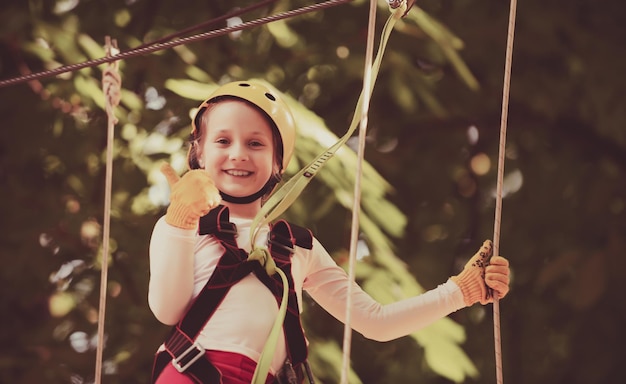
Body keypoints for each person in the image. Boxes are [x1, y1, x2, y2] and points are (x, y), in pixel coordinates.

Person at [148, 80, 511, 384]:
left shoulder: (294, 246)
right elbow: (167, 310)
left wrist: (460, 292)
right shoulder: (183, 228)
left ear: (278, 163)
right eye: (223, 141)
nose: (239, 154)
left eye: (255, 143)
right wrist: (180, 219)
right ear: (198, 154)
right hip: (190, 374)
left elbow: (376, 322)